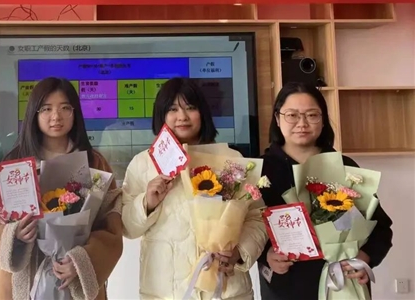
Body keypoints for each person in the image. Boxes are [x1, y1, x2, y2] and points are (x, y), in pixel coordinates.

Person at [0, 77, 123, 300]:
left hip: (73, 281)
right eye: (46, 109)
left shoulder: (94, 162)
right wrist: (13, 234)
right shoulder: (15, 163)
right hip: (20, 284)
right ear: (34, 114)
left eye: (65, 108)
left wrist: (81, 261)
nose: (56, 116)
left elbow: (111, 225)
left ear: (75, 113)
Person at [121, 77, 268, 299]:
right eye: (172, 109)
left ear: (203, 113)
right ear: (161, 115)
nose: (182, 117)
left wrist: (239, 253)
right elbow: (127, 227)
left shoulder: (232, 159)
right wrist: (147, 203)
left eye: (190, 108)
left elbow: (257, 217)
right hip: (165, 292)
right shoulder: (143, 163)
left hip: (226, 289)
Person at [257, 82, 393, 300]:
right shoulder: (262, 171)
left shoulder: (344, 166)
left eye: (312, 115)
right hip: (287, 288)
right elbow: (249, 231)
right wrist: (266, 256)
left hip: (343, 285)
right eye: (292, 115)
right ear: (277, 118)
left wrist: (365, 257)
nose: (302, 123)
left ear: (323, 119)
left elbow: (380, 226)